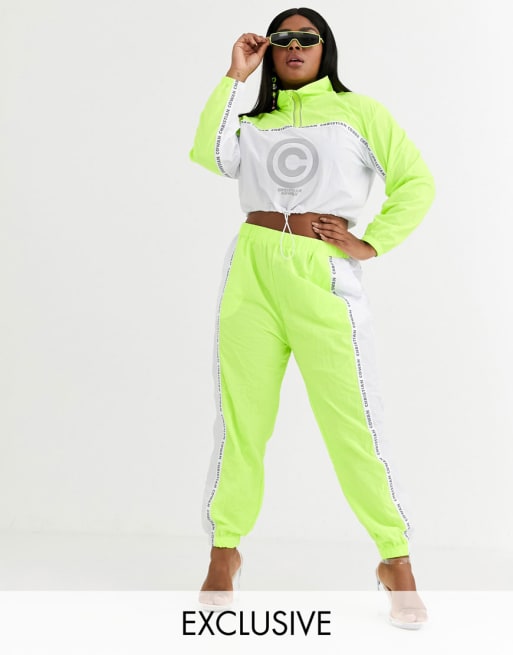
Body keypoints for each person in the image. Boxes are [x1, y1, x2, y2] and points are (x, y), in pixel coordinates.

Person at [189, 6, 435, 629]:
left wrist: (370, 242)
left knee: (354, 423)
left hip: (322, 276)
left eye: (308, 38)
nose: (295, 47)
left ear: (326, 47)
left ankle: (395, 558)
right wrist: (235, 76)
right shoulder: (254, 121)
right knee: (241, 422)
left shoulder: (360, 113)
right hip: (251, 271)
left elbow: (416, 182)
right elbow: (208, 153)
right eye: (283, 39)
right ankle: (224, 551)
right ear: (269, 50)